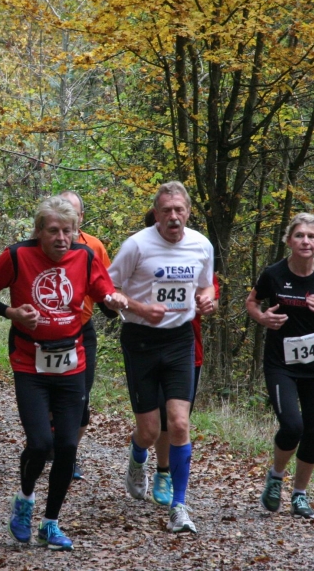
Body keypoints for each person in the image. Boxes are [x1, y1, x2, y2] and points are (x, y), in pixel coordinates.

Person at [0, 196, 126, 550]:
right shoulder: (18, 255)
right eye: (54, 231)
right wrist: (11, 313)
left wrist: (114, 300)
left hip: (72, 363)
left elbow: (105, 295)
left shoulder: (85, 256)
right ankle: (25, 499)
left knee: (67, 446)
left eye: (68, 231)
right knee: (41, 443)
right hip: (30, 362)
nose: (61, 238)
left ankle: (50, 523)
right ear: (39, 231)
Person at [109, 181, 214, 534]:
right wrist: (140, 308)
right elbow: (108, 289)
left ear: (188, 212)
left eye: (179, 210)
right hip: (141, 340)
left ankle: (179, 507)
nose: (173, 216)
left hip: (180, 340)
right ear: (156, 214)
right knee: (150, 430)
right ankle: (138, 456)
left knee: (179, 423)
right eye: (166, 210)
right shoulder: (136, 245)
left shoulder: (201, 245)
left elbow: (206, 284)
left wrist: (208, 299)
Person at [246, 213, 314, 520]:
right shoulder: (274, 274)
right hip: (281, 364)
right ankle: (276, 477)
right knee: (292, 426)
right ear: (289, 240)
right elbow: (252, 302)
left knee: (313, 432)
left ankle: (300, 494)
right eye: (300, 235)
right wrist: (262, 318)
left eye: (312, 236)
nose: (306, 241)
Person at [57, 190, 111, 482]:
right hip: (47, 332)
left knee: (81, 398)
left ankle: (69, 455)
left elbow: (107, 287)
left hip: (82, 330)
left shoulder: (94, 247)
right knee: (49, 397)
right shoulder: (41, 245)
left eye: (73, 213)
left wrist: (118, 306)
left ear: (81, 217)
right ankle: (47, 443)